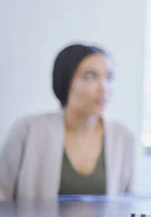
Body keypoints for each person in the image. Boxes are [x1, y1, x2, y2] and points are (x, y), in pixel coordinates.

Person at [0, 44, 135, 200]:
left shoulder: (123, 137)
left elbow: (127, 205)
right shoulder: (28, 130)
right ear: (65, 80)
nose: (104, 88)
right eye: (90, 76)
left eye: (109, 78)